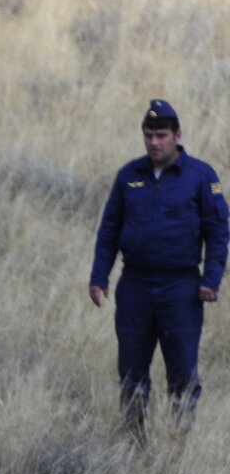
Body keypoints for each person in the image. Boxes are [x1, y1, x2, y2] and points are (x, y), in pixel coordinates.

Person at [89, 98, 229, 435]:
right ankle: (133, 442)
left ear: (177, 135)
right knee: (131, 372)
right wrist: (99, 276)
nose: (154, 142)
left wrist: (211, 278)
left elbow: (219, 228)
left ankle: (178, 444)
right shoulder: (129, 176)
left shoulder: (201, 176)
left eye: (161, 135)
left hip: (180, 288)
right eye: (149, 135)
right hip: (135, 286)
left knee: (182, 372)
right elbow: (109, 229)